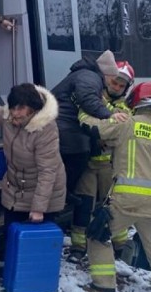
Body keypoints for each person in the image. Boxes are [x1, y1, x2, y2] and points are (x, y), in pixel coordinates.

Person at [79, 82, 151, 292]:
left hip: (126, 200)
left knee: (97, 234)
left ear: (134, 103)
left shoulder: (127, 125)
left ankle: (104, 286)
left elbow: (93, 128)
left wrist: (83, 110)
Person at [68, 61, 135, 262]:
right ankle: (78, 247)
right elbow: (84, 118)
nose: (116, 87)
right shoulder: (92, 98)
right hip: (89, 164)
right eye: (114, 82)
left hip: (109, 167)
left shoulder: (125, 107)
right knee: (83, 206)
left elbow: (122, 128)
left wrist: (104, 127)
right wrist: (111, 123)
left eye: (121, 86)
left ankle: (119, 244)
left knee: (113, 207)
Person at [0, 83, 66, 234]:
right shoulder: (8, 118)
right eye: (13, 107)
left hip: (43, 193)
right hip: (16, 189)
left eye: (20, 108)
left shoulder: (45, 129)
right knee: (12, 236)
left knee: (36, 245)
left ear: (33, 108)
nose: (15, 113)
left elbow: (47, 172)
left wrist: (38, 209)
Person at [51, 50, 129, 197]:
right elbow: (88, 100)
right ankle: (64, 192)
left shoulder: (87, 75)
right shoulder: (90, 77)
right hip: (63, 124)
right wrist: (111, 114)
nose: (113, 84)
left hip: (61, 122)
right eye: (113, 79)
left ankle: (64, 192)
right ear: (107, 74)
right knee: (79, 155)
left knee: (77, 155)